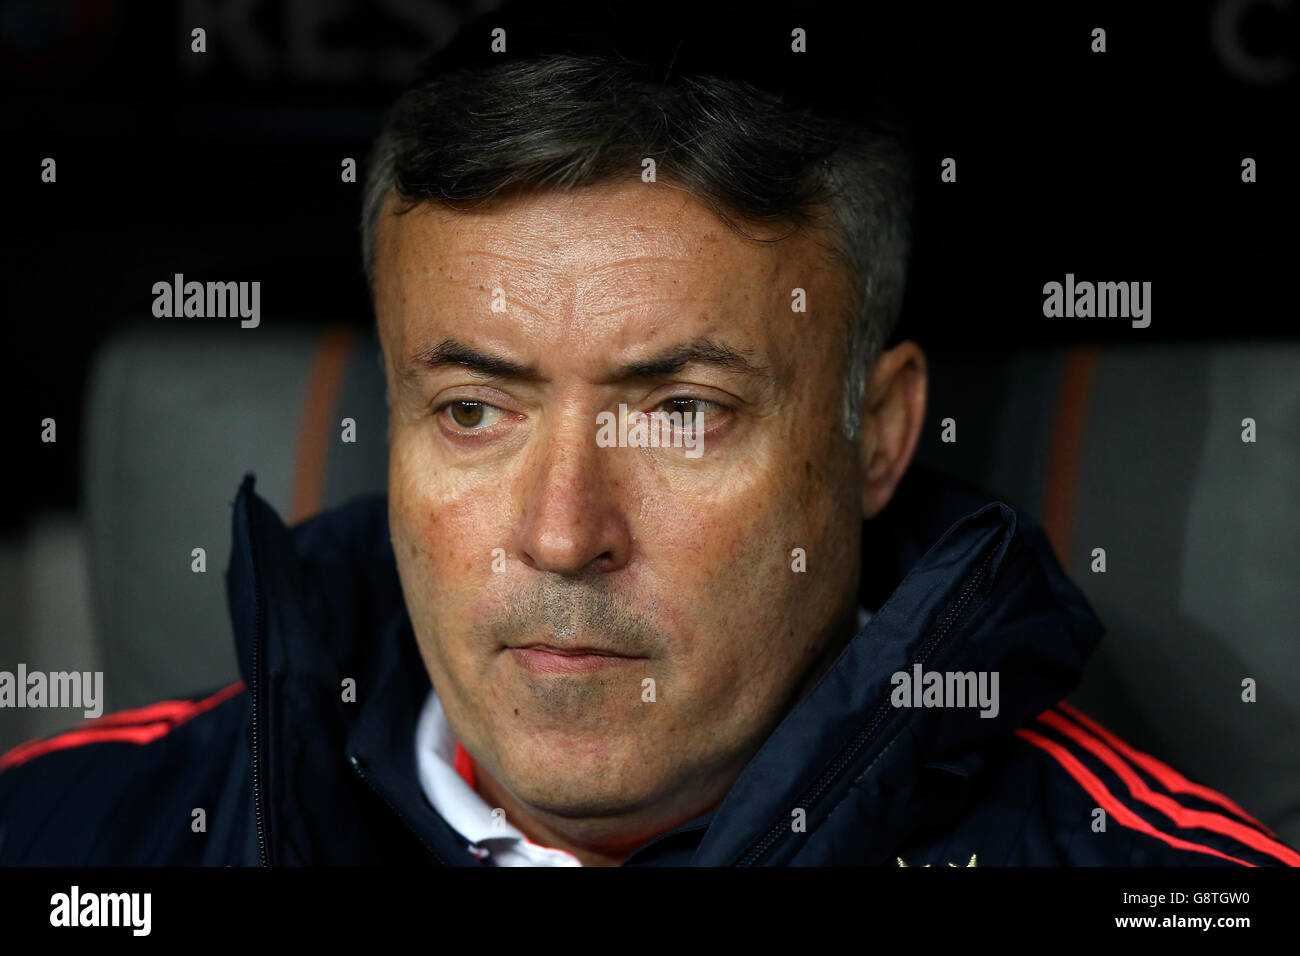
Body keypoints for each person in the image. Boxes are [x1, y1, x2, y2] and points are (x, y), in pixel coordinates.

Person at [2, 3, 1295, 868]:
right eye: (474, 411)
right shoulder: (63, 833)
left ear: (879, 437)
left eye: (682, 413)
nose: (564, 534)